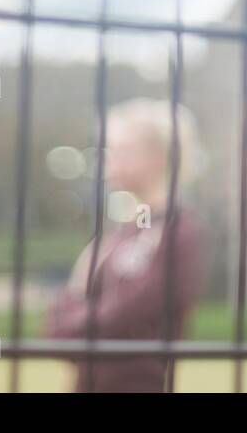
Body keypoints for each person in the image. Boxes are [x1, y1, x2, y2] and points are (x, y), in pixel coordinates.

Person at [44, 99, 210, 392]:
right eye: (111, 152)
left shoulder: (178, 229)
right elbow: (66, 308)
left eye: (125, 152)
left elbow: (135, 311)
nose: (111, 163)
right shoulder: (117, 233)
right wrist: (75, 326)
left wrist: (76, 326)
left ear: (159, 157)